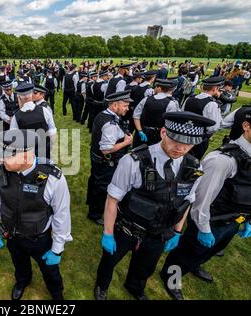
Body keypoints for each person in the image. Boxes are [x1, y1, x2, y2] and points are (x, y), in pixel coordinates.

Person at [94, 111, 215, 300]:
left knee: (145, 266)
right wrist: (108, 233)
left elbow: (187, 201)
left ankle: (135, 287)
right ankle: (102, 285)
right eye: (176, 140)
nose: (181, 148)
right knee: (109, 261)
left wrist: (176, 231)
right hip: (127, 229)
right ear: (164, 133)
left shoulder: (194, 168)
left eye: (188, 143)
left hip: (159, 233)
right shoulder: (133, 161)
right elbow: (113, 199)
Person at [160, 109, 251, 300]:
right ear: (246, 126)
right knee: (186, 253)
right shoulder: (223, 160)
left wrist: (247, 219)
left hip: (233, 220)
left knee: (209, 251)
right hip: (211, 221)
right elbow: (201, 200)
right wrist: (204, 228)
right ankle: (171, 277)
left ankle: (195, 265)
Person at [0, 129, 72, 300]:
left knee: (50, 271)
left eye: (8, 155)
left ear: (27, 155)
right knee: (19, 263)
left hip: (39, 239)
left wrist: (57, 248)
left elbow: (62, 215)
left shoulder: (53, 178)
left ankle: (56, 292)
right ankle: (22, 281)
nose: (2, 159)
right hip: (12, 235)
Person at [86, 90, 134, 225]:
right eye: (124, 105)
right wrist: (126, 142)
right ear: (114, 106)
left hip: (96, 158)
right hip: (106, 162)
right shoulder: (110, 124)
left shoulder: (102, 115)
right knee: (102, 187)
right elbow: (106, 149)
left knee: (94, 180)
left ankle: (91, 204)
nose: (127, 108)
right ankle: (95, 214)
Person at [9, 82, 57, 161]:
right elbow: (52, 132)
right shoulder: (44, 110)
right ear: (31, 94)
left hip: (27, 154)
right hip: (45, 150)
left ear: (19, 97)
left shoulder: (16, 117)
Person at [182, 76, 223, 160]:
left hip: (183, 134)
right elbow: (214, 127)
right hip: (199, 139)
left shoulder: (190, 98)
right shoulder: (212, 104)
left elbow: (182, 113)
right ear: (215, 88)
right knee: (192, 162)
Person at [133, 78, 180, 147]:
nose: (154, 89)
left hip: (143, 131)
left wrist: (140, 131)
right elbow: (170, 123)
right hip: (158, 134)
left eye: (156, 87)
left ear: (160, 88)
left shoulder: (146, 99)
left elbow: (136, 116)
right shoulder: (171, 103)